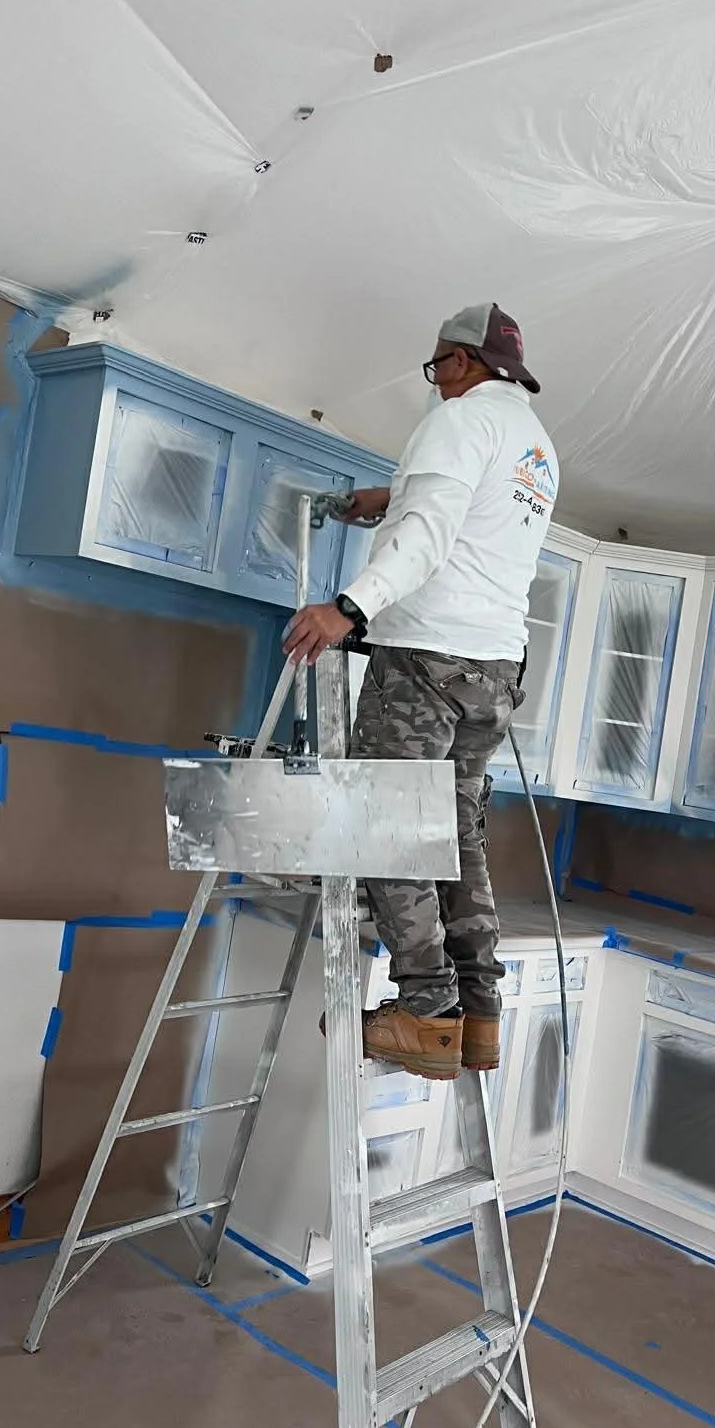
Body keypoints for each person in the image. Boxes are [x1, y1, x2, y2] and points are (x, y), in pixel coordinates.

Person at [284, 304, 560, 1080]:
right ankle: (476, 1016)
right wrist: (395, 493)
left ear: (464, 360)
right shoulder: (535, 446)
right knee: (457, 833)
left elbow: (432, 534)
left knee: (392, 827)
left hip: (425, 661)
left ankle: (424, 1013)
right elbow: (461, 517)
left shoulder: (459, 422)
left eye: (439, 365)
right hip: (494, 670)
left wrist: (347, 607)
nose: (435, 381)